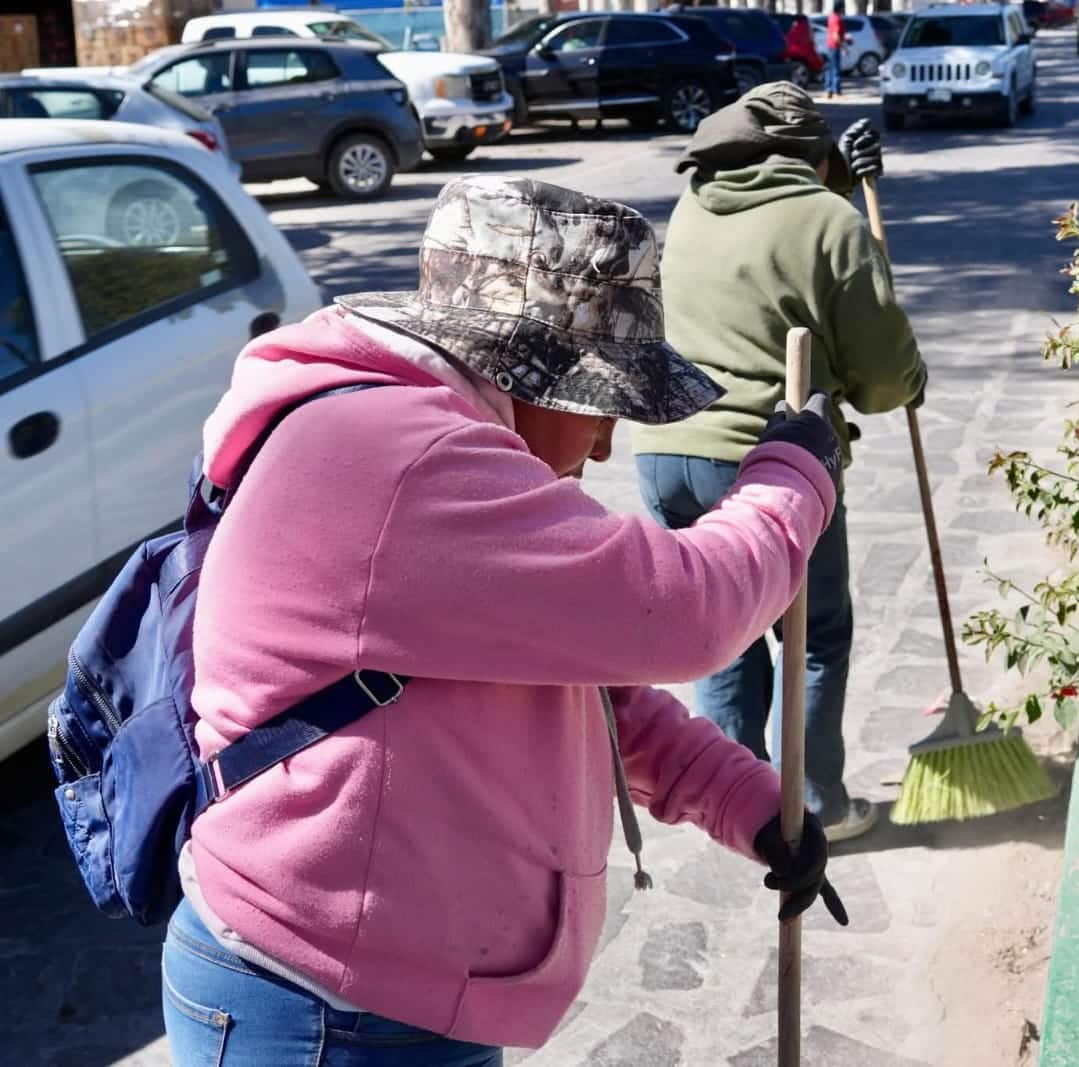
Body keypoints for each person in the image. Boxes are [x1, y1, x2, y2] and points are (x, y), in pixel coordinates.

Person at [160, 176, 849, 1066]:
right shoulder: (405, 456)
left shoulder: (435, 444)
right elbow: (682, 611)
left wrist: (748, 801)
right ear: (521, 370)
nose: (605, 444)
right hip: (321, 1006)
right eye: (601, 401)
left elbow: (591, 692)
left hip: (392, 995)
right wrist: (791, 479)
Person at [633, 84, 926, 844]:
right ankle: (814, 802)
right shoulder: (832, 222)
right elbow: (887, 381)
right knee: (817, 632)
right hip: (772, 462)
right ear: (812, 154)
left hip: (667, 454)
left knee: (720, 627)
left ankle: (741, 804)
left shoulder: (693, 205)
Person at [825, 0, 848, 98]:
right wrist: (844, 47)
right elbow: (836, 35)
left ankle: (829, 90)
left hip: (829, 45)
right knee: (836, 69)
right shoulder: (837, 19)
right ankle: (837, 91)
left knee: (829, 69)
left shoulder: (831, 17)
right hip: (835, 46)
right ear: (840, 8)